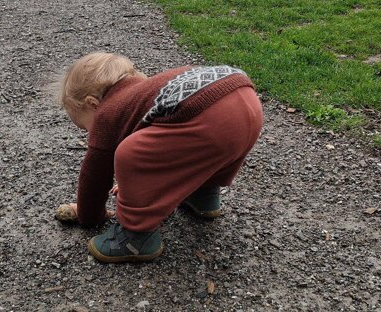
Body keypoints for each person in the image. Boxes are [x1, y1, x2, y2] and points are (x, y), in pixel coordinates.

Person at [57, 51, 263, 263]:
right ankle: (203, 196)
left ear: (93, 104)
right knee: (194, 147)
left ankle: (136, 237)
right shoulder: (146, 92)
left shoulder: (106, 113)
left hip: (210, 116)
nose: (90, 135)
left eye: (85, 127)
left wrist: (88, 215)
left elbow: (95, 175)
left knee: (130, 154)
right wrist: (136, 187)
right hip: (243, 98)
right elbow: (168, 154)